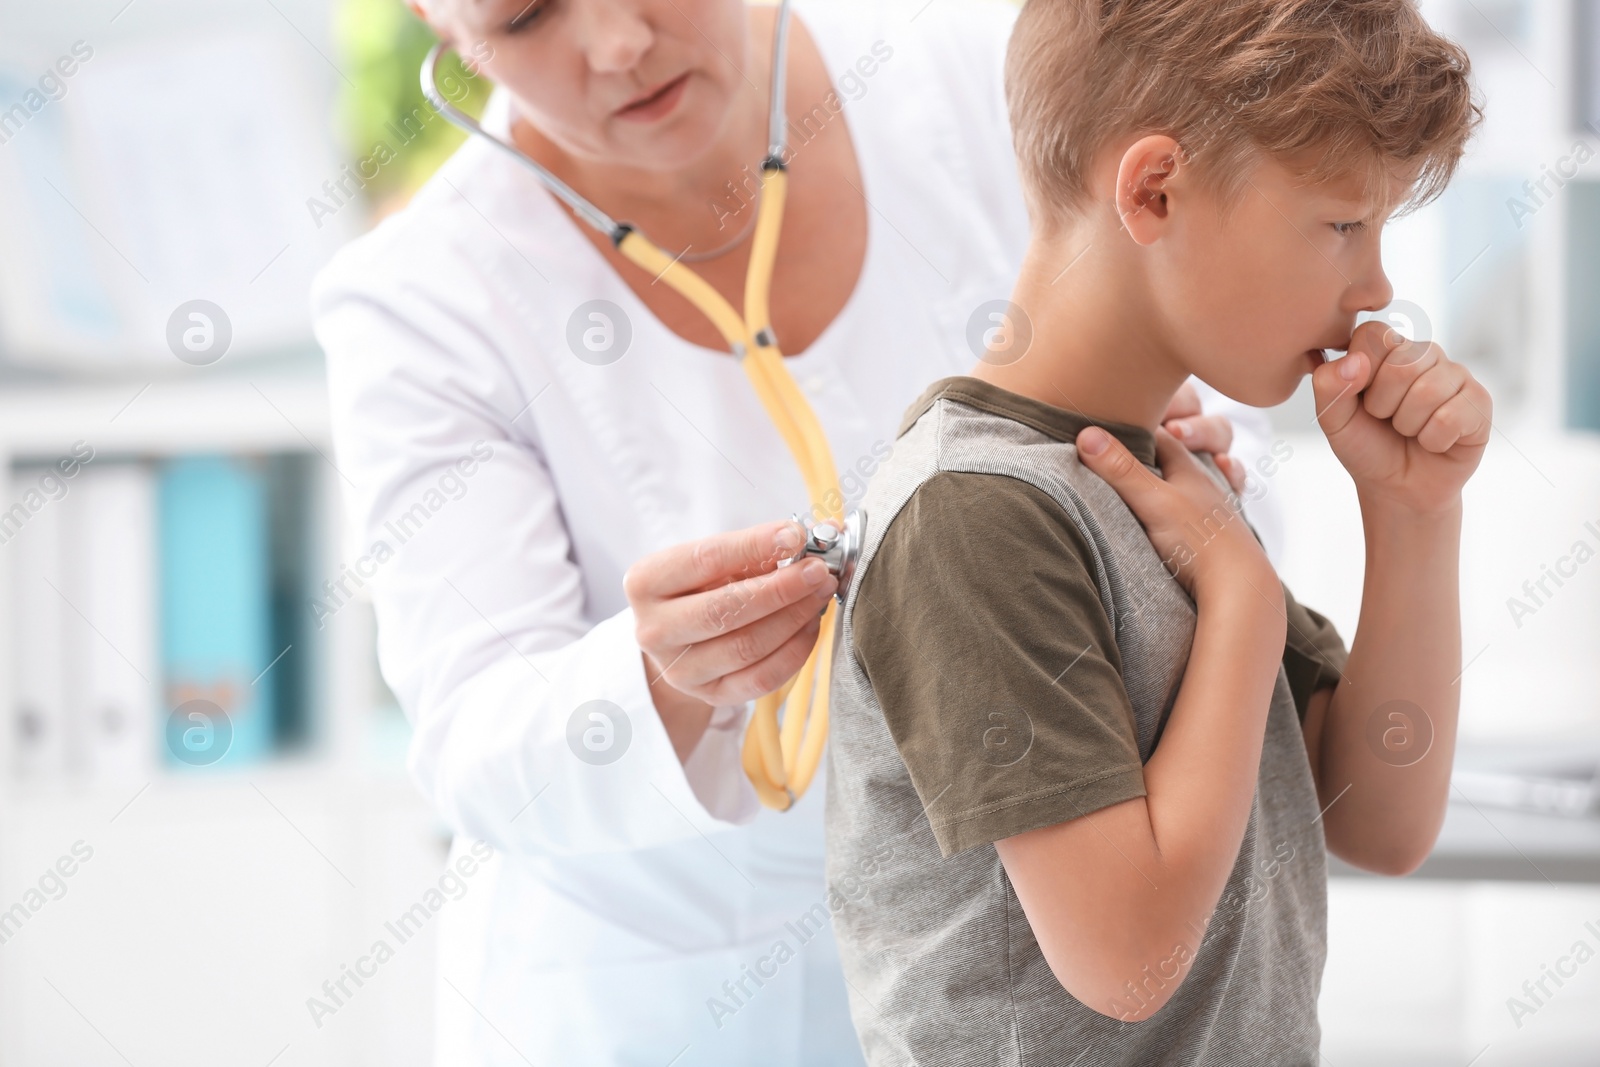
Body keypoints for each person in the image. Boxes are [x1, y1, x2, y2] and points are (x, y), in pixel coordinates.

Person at [311, 0, 1264, 1062]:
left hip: (1012, 969)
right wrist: (660, 676)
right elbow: (474, 747)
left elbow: (1210, 334)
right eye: (524, 16)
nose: (616, 44)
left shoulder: (982, 69)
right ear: (440, 30)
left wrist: (1182, 460)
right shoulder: (422, 297)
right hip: (666, 1001)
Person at [825, 0, 1489, 1062]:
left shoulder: (1157, 482)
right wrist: (1239, 601)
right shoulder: (976, 515)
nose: (1375, 287)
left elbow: (1383, 816)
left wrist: (1415, 511)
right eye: (1339, 224)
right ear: (1154, 191)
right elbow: (1127, 958)